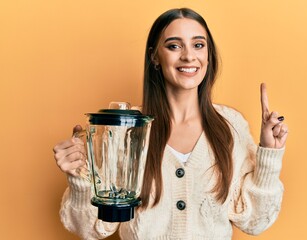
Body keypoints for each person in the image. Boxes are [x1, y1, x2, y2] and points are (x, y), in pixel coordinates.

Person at [53, 7, 288, 240]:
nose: (188, 56)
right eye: (174, 46)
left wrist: (270, 154)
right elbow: (90, 228)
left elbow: (255, 221)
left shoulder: (231, 126)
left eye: (198, 45)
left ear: (208, 55)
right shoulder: (126, 129)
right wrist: (80, 178)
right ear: (155, 56)